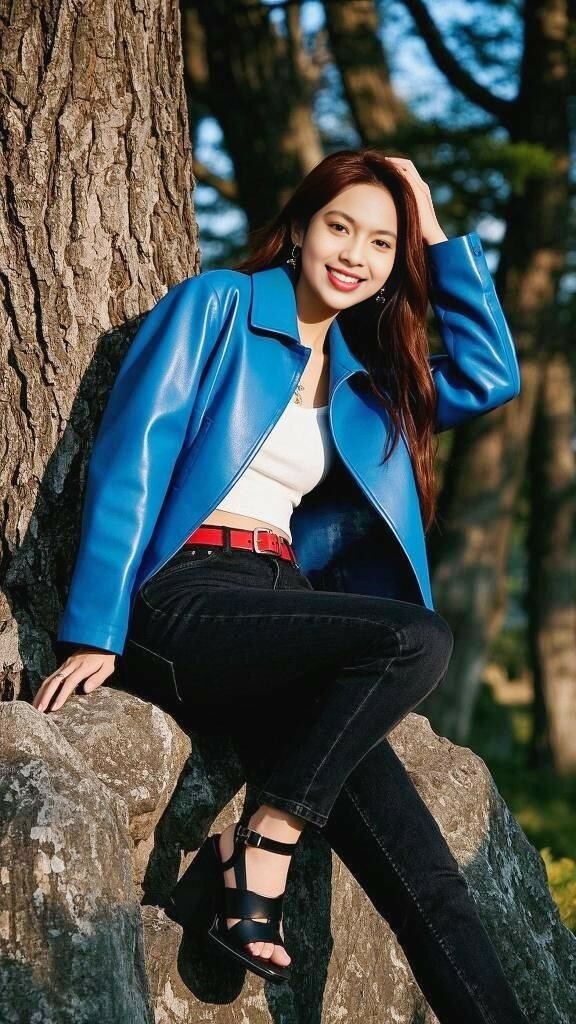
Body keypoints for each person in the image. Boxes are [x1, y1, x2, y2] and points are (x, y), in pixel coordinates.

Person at [33, 150, 529, 1020]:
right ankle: (265, 840)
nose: (355, 254)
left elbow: (492, 375)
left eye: (382, 243)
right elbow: (133, 455)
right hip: (181, 595)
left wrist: (432, 225)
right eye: (340, 227)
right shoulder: (218, 304)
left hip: (281, 612)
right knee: (415, 636)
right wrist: (95, 628)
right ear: (299, 228)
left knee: (427, 878)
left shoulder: (367, 384)